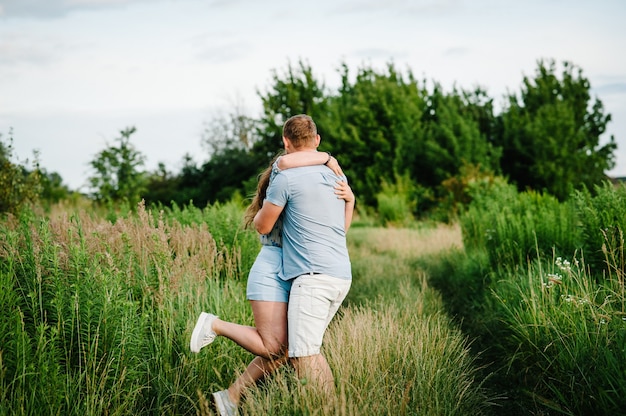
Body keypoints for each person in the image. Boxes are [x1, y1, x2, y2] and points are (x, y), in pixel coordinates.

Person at [190, 148, 354, 416]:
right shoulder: (283, 184)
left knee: (287, 348)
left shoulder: (302, 192)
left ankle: (230, 398)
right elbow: (284, 164)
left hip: (295, 273)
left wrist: (349, 200)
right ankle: (214, 324)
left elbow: (334, 232)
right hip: (272, 271)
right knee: (275, 346)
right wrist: (326, 157)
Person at [254, 114, 353, 396]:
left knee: (303, 355)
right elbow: (340, 230)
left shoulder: (285, 177)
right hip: (340, 274)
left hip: (311, 278)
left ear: (286, 142)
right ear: (317, 140)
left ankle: (330, 408)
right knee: (304, 350)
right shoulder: (337, 175)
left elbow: (263, 226)